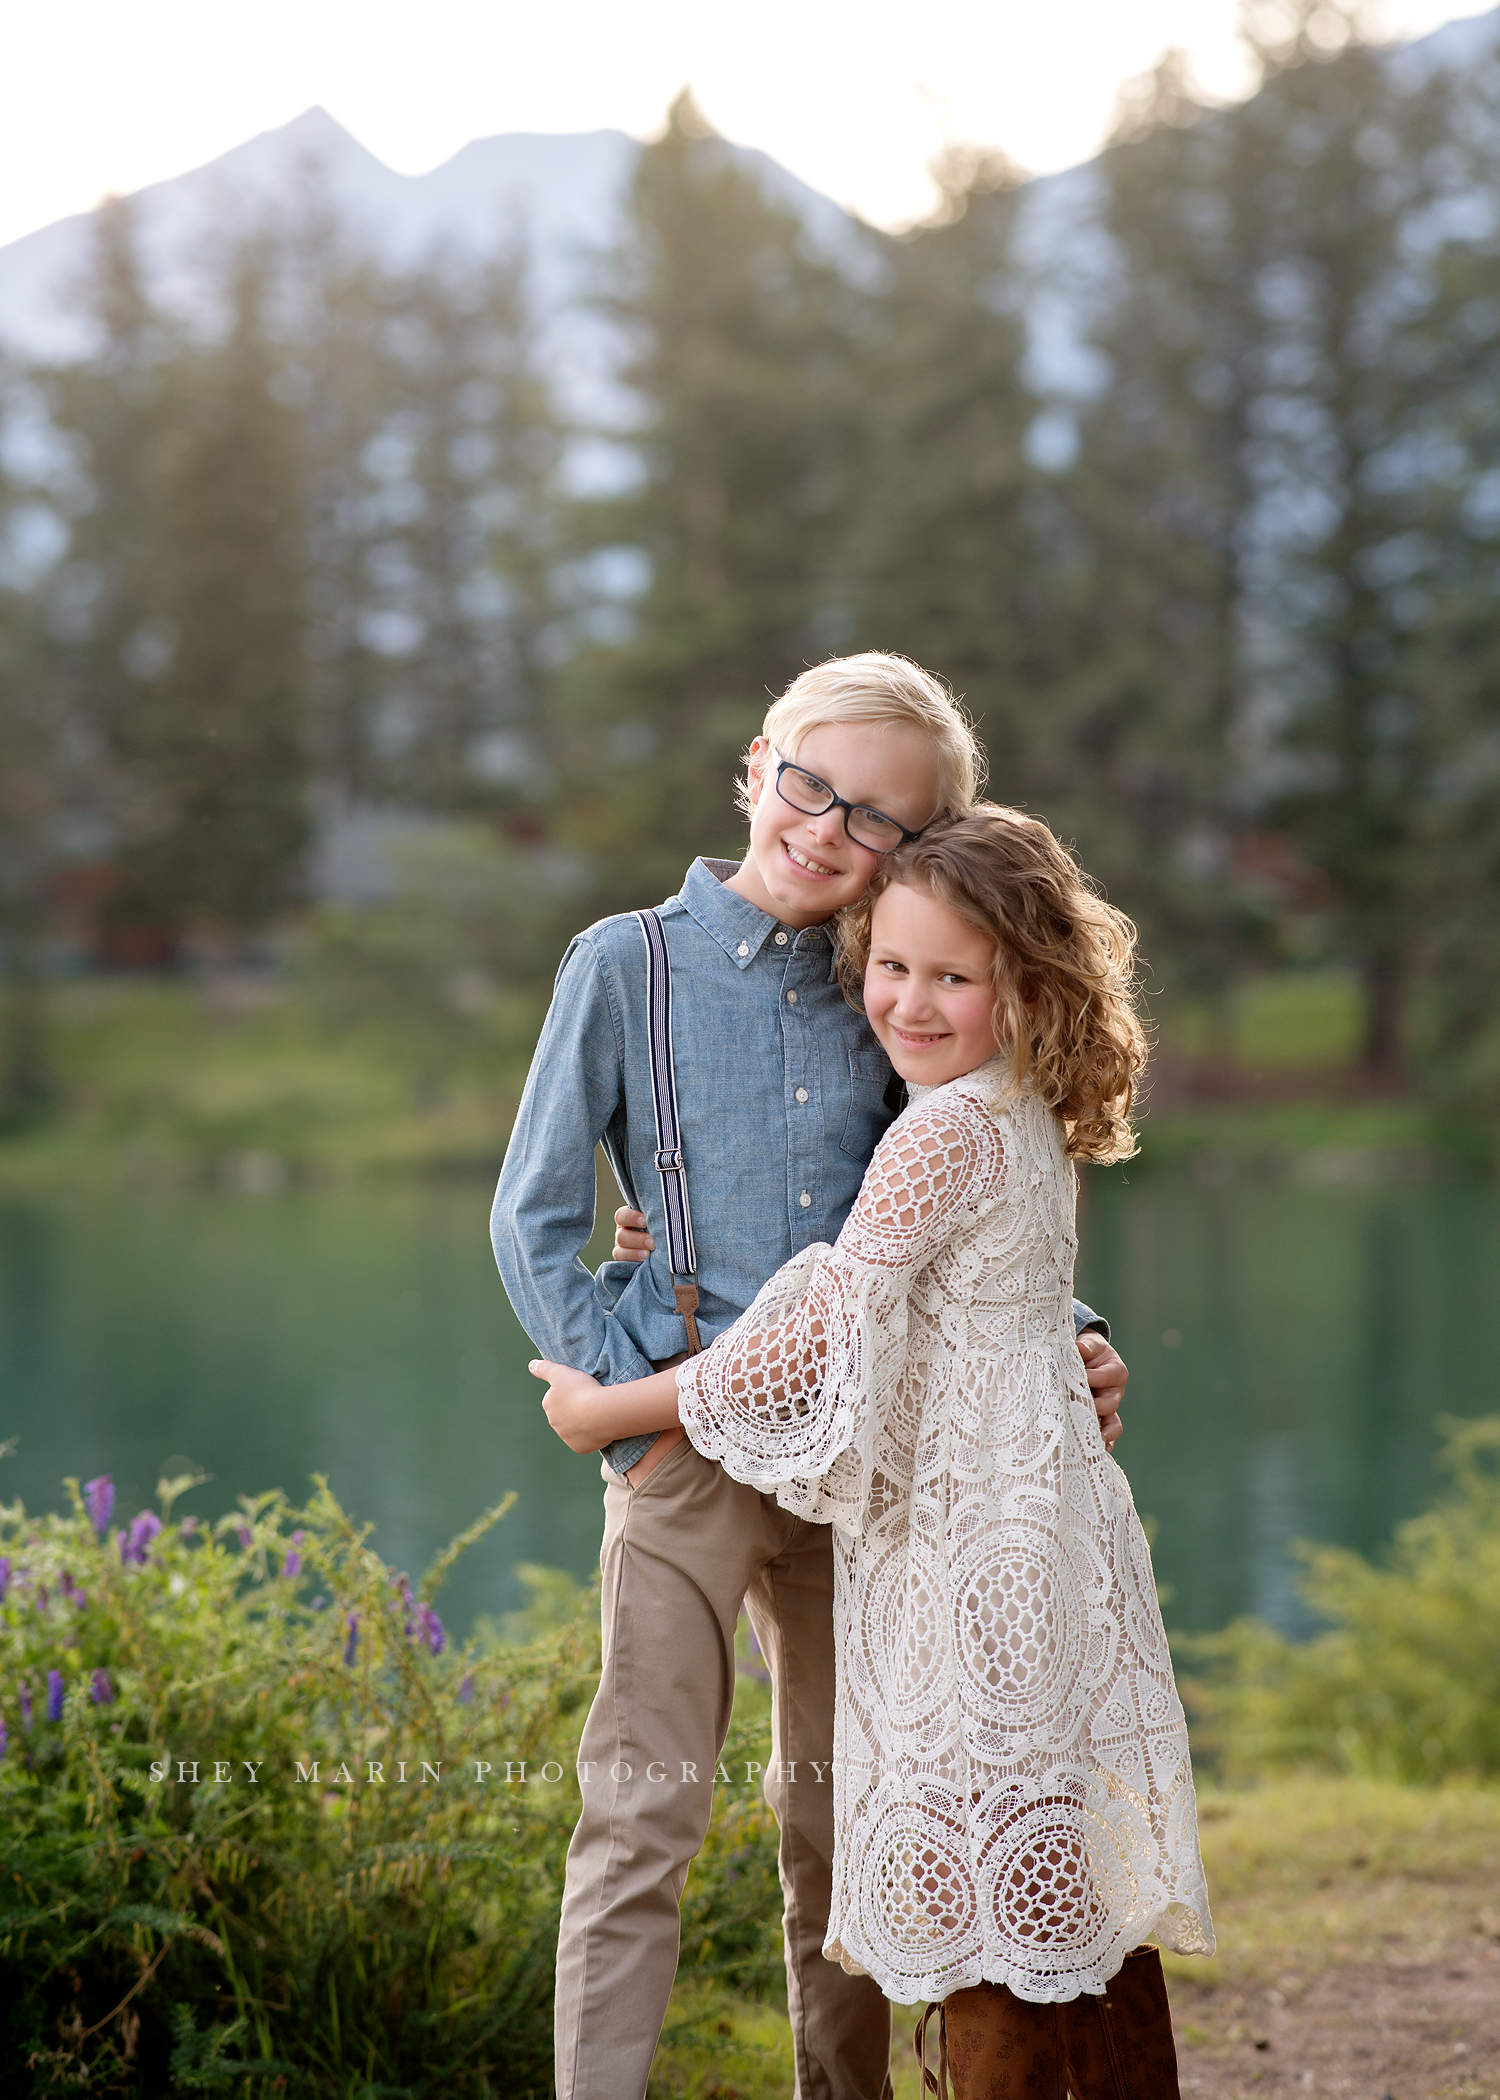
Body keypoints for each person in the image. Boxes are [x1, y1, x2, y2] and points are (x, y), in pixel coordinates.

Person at [492, 655, 1132, 2100]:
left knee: (842, 1819)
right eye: (809, 784)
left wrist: (1069, 1333)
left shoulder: (887, 978)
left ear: (923, 849)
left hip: (866, 1464)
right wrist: (624, 1410)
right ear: (757, 763)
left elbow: (945, 1205)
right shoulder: (625, 965)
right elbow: (529, 1214)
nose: (829, 827)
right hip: (682, 1444)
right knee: (638, 1813)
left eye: (878, 820)